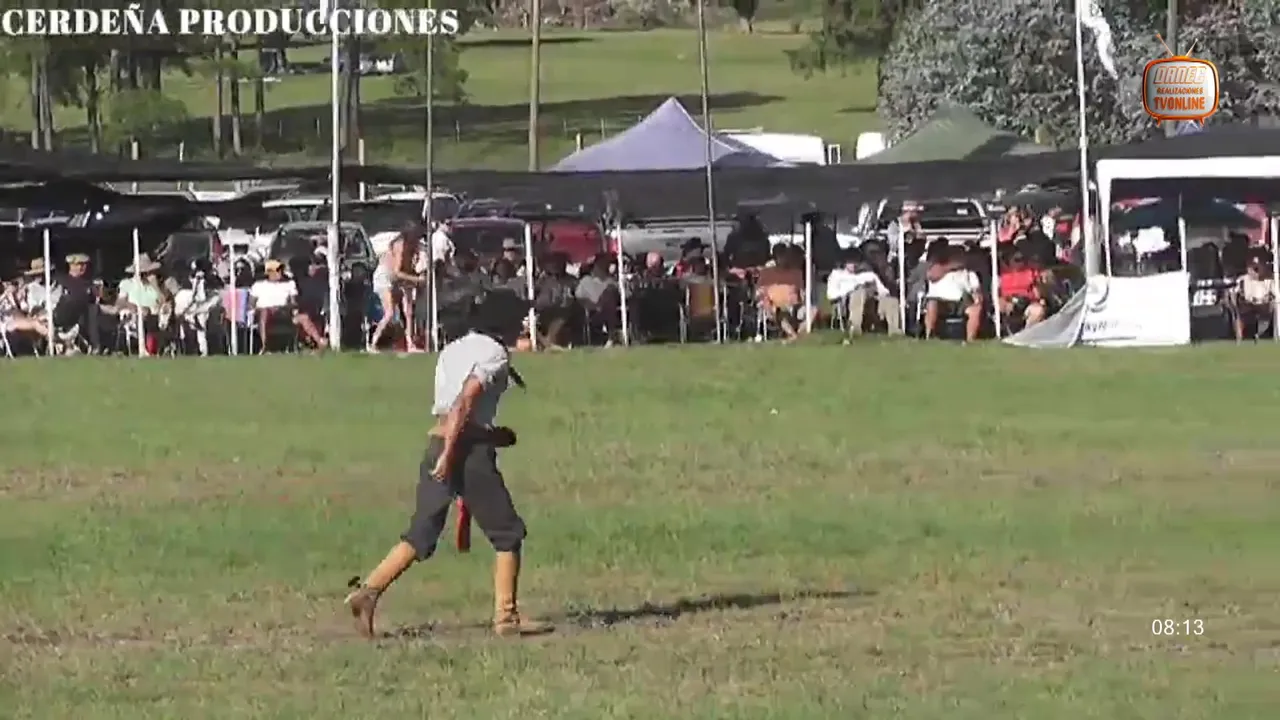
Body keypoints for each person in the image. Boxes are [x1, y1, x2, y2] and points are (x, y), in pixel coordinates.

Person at [344, 290, 552, 639]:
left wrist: (484, 436)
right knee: (507, 532)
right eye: (518, 317)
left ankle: (368, 591)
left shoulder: (453, 348)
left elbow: (448, 408)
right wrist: (453, 453)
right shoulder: (494, 353)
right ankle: (507, 617)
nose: (522, 323)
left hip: (439, 441)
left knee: (422, 533)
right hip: (463, 450)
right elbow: (464, 402)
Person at [369, 223, 425, 353]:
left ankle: (410, 344)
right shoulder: (400, 245)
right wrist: (417, 280)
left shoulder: (415, 246)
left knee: (409, 311)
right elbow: (397, 272)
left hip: (399, 278)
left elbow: (408, 268)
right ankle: (373, 342)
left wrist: (417, 274)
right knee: (390, 313)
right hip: (385, 276)